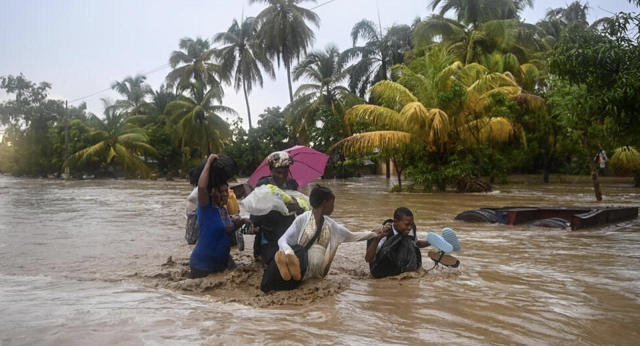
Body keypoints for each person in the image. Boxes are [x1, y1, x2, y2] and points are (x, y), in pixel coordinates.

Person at [263, 185, 383, 292]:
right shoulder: (302, 219)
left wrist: (377, 233)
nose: (333, 207)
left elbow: (352, 236)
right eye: (332, 203)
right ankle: (288, 264)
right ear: (325, 203)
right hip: (302, 273)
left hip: (318, 277)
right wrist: (289, 252)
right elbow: (282, 240)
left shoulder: (331, 225)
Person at [189, 154, 251, 279]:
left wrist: (242, 221)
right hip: (202, 266)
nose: (224, 195)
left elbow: (226, 229)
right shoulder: (206, 208)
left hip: (222, 264)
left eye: (226, 191)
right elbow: (201, 187)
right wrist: (209, 162)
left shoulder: (223, 210)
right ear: (212, 192)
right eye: (220, 191)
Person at [251, 151, 307, 265]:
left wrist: (297, 206)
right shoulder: (263, 185)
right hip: (268, 232)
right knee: (272, 263)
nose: (281, 176)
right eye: (278, 172)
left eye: (285, 172)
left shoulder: (292, 184)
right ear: (271, 170)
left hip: (288, 230)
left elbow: (302, 211)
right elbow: (256, 214)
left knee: (297, 261)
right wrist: (274, 206)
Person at [364, 207, 430, 279]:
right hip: (383, 269)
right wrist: (377, 239)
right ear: (395, 222)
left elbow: (416, 243)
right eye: (407, 224)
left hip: (401, 267)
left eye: (412, 224)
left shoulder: (410, 229)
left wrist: (431, 242)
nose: (409, 227)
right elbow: (368, 259)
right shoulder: (385, 232)